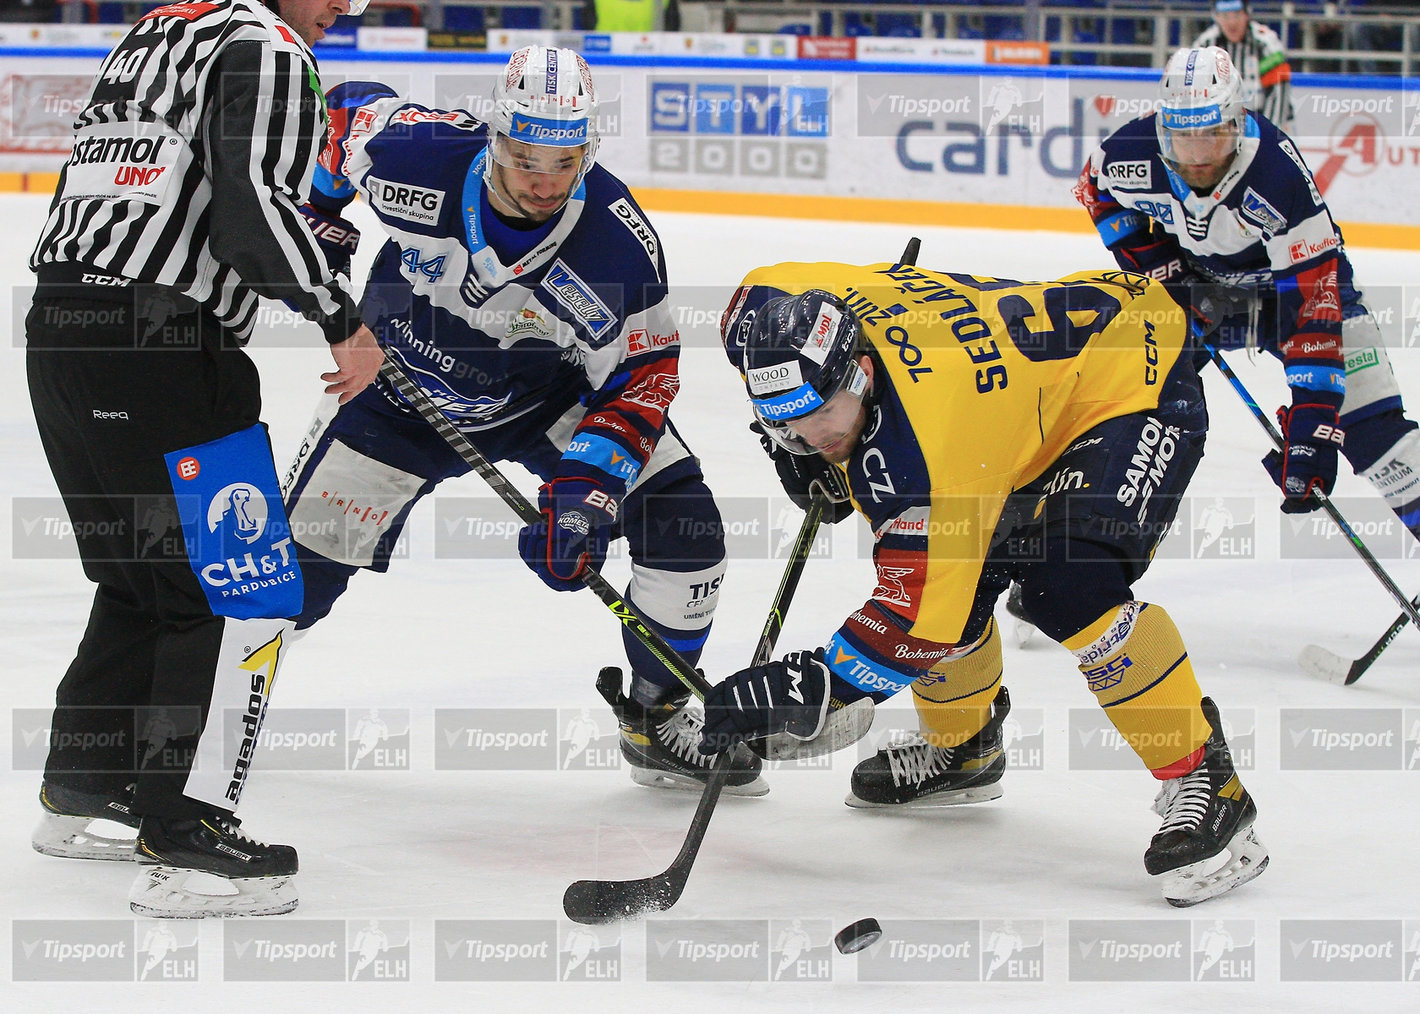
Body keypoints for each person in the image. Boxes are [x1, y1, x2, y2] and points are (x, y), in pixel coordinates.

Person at [702, 263, 1268, 906]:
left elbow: (920, 617)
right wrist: (793, 444)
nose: (814, 436)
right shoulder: (793, 323)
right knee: (962, 580)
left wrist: (817, 686)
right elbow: (758, 288)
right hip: (1019, 404)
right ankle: (965, 745)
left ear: (859, 370)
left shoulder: (928, 443)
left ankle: (1208, 780)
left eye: (825, 414)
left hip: (1128, 376)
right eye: (787, 423)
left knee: (1068, 587)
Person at [282, 46, 763, 795]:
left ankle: (655, 713)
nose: (543, 182)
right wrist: (320, 218)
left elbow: (642, 377)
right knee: (287, 588)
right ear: (492, 136)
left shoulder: (615, 244)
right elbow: (341, 115)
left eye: (564, 163)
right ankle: (197, 712)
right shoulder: (417, 152)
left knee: (686, 527)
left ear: (588, 152)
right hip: (399, 390)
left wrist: (585, 495)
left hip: (548, 399)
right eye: (524, 158)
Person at [25, 0, 383, 918]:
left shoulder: (158, 27)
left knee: (142, 574)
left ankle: (86, 790)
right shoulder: (267, 46)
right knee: (244, 585)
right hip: (164, 340)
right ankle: (187, 836)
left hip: (64, 328)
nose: (347, 8)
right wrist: (341, 317)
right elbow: (249, 215)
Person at [1077, 45, 1420, 545]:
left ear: (1236, 122)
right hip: (1208, 295)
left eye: (1211, 136)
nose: (1196, 158)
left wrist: (1314, 423)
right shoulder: (1128, 154)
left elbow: (1314, 301)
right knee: (1121, 403)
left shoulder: (1278, 176)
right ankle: (1079, 557)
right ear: (1160, 125)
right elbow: (1095, 191)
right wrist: (1168, 276)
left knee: (1375, 437)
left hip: (1300, 297)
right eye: (1182, 137)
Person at [1192, 0, 1294, 133]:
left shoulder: (1266, 44)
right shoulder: (1205, 45)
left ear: (1247, 14)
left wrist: (1269, 133)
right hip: (1220, 130)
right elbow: (1195, 92)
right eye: (1225, 16)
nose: (1232, 23)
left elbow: (1279, 93)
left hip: (1265, 122)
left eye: (1237, 15)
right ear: (1216, 16)